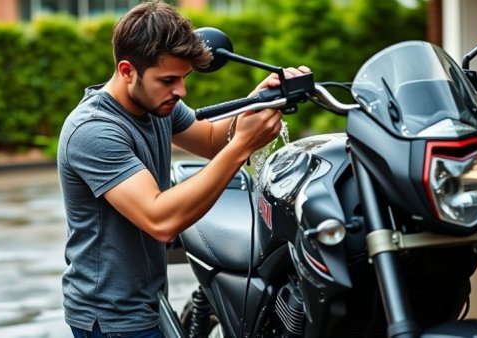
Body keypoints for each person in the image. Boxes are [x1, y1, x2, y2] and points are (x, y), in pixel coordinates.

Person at [57, 1, 310, 337]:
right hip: (112, 318)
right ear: (127, 71)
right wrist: (242, 147)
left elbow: (210, 139)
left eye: (184, 78)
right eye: (168, 80)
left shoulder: (155, 103)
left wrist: (258, 100)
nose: (181, 91)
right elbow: (160, 220)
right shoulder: (94, 131)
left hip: (145, 298)